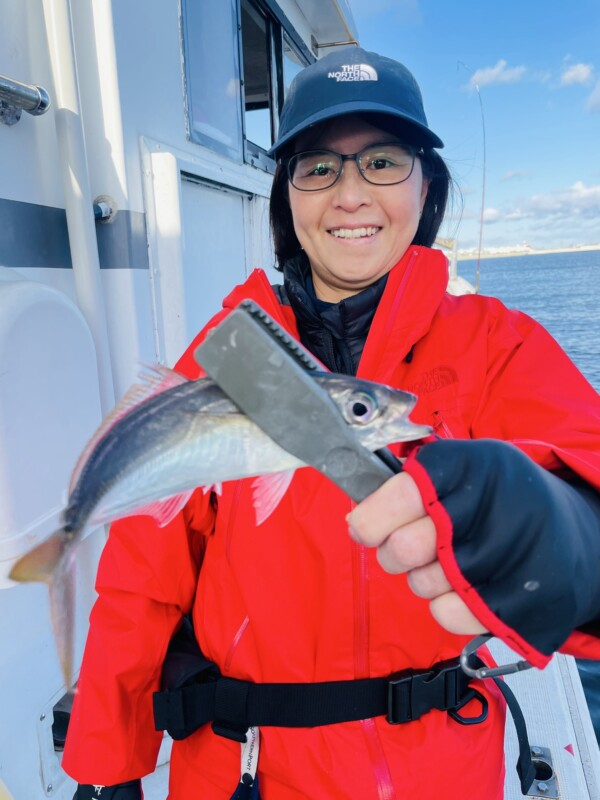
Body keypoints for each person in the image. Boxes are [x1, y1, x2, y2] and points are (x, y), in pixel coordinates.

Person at [64, 47, 600, 799]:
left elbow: (587, 465)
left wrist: (569, 532)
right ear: (288, 197)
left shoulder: (495, 343)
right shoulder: (223, 360)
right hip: (242, 769)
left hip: (440, 768)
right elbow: (139, 582)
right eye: (318, 167)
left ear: (426, 185)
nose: (350, 194)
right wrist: (106, 763)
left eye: (382, 161)